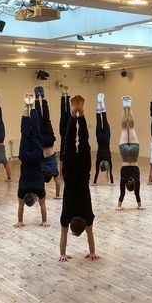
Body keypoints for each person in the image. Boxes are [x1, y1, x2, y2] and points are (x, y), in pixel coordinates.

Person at [59, 95, 98, 262]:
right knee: (68, 141)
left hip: (82, 172)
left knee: (84, 141)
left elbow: (90, 234)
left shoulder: (87, 216)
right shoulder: (67, 216)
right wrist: (61, 253)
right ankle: (75, 112)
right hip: (69, 173)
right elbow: (63, 235)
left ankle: (80, 114)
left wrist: (92, 252)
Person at [15, 93, 50, 227]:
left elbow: (43, 206)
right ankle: (26, 107)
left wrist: (44, 221)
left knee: (35, 131)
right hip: (24, 157)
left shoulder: (39, 190)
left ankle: (33, 106)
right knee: (25, 133)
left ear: (35, 198)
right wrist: (20, 220)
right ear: (25, 198)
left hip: (36, 157)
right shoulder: (21, 191)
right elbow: (20, 207)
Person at [117, 96, 144, 210]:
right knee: (124, 128)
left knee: (131, 127)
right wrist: (119, 206)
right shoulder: (124, 179)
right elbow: (122, 194)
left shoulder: (136, 179)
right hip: (124, 155)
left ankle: (129, 106)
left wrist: (140, 205)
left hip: (134, 153)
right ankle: (124, 107)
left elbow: (137, 195)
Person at [35, 86, 61, 199]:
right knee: (39, 119)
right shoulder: (41, 170)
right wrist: (37, 194)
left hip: (49, 141)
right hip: (42, 142)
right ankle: (37, 98)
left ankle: (43, 97)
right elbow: (39, 183)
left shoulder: (54, 171)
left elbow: (58, 182)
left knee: (46, 118)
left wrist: (58, 195)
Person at [93, 93, 114, 185]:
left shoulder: (109, 160)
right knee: (98, 120)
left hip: (106, 138)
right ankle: (99, 102)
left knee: (104, 119)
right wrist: (94, 182)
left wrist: (112, 182)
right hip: (99, 139)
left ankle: (102, 101)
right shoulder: (98, 160)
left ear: (107, 167)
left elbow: (111, 173)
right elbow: (97, 172)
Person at [58, 85, 71, 179]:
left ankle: (64, 96)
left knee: (63, 113)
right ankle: (66, 96)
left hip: (63, 133)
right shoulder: (69, 153)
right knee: (67, 113)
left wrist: (61, 174)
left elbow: (61, 162)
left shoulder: (64, 152)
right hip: (67, 133)